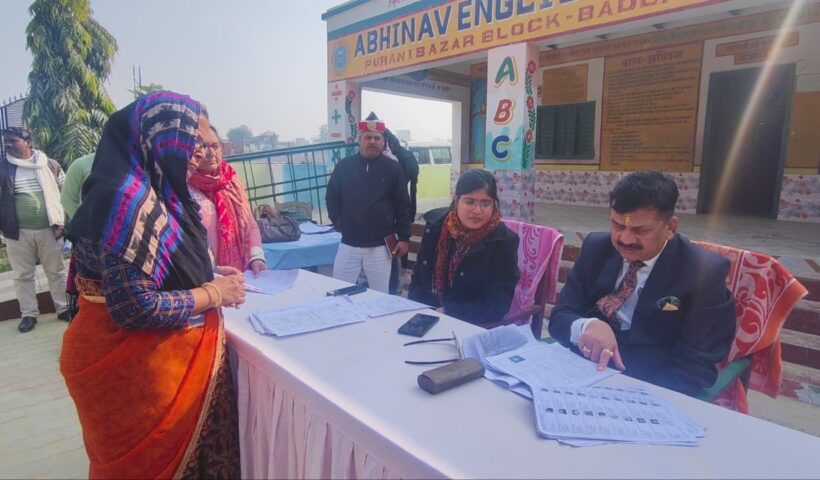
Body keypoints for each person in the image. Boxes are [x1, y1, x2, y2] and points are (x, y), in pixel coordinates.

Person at [60, 92, 244, 478]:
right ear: (157, 139)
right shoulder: (126, 202)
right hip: (139, 374)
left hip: (154, 367)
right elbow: (135, 307)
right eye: (191, 140)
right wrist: (214, 293)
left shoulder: (157, 190)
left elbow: (152, 267)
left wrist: (207, 273)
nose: (199, 152)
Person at [549, 171, 736, 396]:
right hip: (581, 371)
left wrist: (629, 395)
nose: (625, 239)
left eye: (641, 230)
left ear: (670, 227)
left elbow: (694, 369)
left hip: (648, 384)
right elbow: (560, 317)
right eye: (617, 225)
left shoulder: (702, 273)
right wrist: (587, 326)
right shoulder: (596, 248)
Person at [408, 169, 519, 326]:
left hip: (473, 324)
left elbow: (498, 304)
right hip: (427, 317)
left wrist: (449, 312)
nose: (477, 211)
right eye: (470, 202)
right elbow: (419, 276)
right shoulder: (436, 226)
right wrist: (418, 311)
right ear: (456, 199)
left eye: (485, 203)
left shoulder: (503, 241)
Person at [326, 117, 412, 293]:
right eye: (368, 137)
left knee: (380, 295)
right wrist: (340, 223)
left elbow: (402, 204)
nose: (372, 141)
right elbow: (332, 198)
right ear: (360, 140)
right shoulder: (344, 166)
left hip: (380, 247)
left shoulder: (393, 168)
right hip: (349, 245)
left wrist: (404, 238)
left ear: (383, 141)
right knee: (338, 292)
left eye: (377, 138)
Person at [0, 126, 69, 332]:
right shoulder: (3, 168)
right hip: (17, 233)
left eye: (13, 141)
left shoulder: (50, 165)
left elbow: (65, 193)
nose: (8, 145)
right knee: (23, 275)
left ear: (28, 142)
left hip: (50, 229)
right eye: (6, 141)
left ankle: (64, 308)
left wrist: (64, 221)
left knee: (56, 272)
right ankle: (29, 314)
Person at [188, 125, 267, 275]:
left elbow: (250, 224)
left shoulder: (232, 182)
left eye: (215, 146)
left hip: (240, 276)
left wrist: (256, 258)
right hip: (204, 277)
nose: (211, 153)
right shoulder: (184, 186)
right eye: (203, 146)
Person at [61, 151, 96, 321]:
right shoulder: (81, 165)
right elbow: (67, 199)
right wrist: (85, 226)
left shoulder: (134, 158)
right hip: (89, 239)